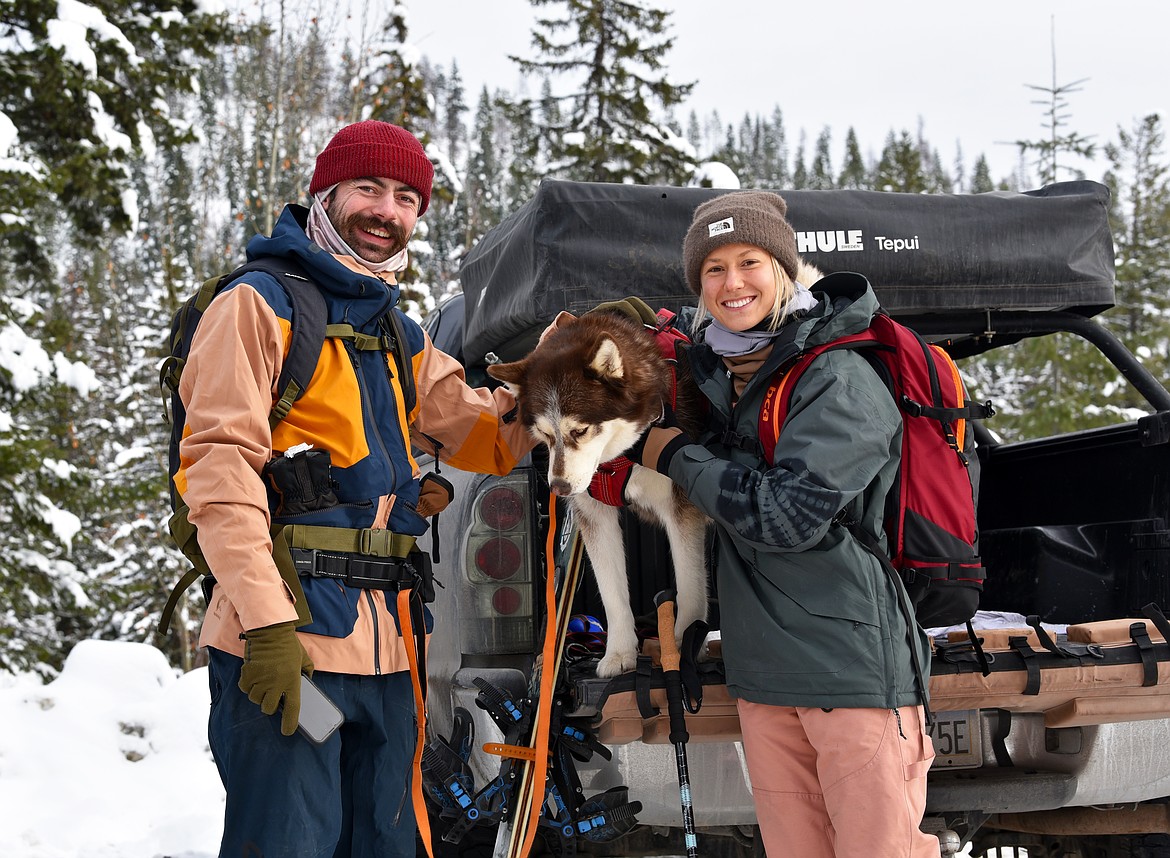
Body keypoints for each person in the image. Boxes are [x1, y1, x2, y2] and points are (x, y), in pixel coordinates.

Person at [176, 120, 535, 857]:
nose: (387, 212)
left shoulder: (398, 336)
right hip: (291, 651)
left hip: (390, 655)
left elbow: (495, 437)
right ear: (326, 194)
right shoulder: (259, 305)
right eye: (369, 189)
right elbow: (218, 469)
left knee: (384, 842)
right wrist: (268, 626)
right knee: (290, 840)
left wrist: (582, 362)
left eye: (407, 198)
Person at [630, 191, 940, 857]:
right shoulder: (727, 377)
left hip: (850, 675)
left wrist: (677, 456)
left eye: (750, 261)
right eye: (712, 269)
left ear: (784, 269)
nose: (732, 282)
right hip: (765, 679)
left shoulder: (838, 378)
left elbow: (786, 516)